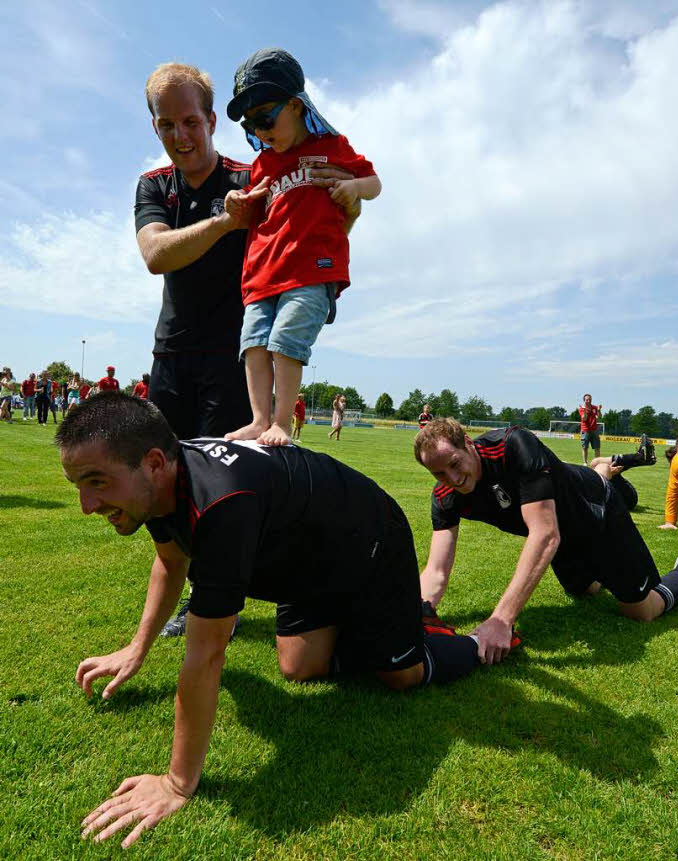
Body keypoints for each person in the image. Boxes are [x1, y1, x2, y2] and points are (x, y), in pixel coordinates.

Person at [59, 393, 484, 847]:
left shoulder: (220, 501)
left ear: (154, 463)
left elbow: (206, 655)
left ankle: (467, 642)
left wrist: (176, 783)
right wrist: (135, 648)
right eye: (80, 485)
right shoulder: (163, 483)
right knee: (298, 667)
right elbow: (169, 559)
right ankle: (372, 625)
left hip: (368, 541)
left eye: (97, 482)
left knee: (402, 673)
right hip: (307, 558)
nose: (87, 504)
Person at [137, 61, 358, 637]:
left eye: (191, 121)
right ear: (155, 128)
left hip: (237, 357)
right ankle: (180, 578)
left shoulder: (255, 172)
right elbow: (156, 255)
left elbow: (313, 225)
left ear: (212, 121)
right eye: (167, 125)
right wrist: (222, 222)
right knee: (160, 482)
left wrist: (349, 205)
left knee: (216, 486)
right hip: (171, 356)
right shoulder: (154, 186)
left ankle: (211, 600)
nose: (181, 136)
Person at [415, 419, 678, 664]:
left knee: (640, 610)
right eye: (439, 473)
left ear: (468, 443)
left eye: (454, 463)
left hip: (598, 514)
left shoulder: (512, 446)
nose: (452, 478)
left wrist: (501, 620)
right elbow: (436, 571)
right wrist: (418, 612)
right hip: (560, 535)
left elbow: (545, 535)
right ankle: (604, 562)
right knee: (583, 591)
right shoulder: (445, 497)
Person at [223, 48, 381, 447]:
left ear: (296, 105)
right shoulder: (262, 165)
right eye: (250, 125)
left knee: (286, 340)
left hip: (311, 269)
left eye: (265, 119)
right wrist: (233, 204)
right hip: (261, 275)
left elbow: (374, 182)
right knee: (254, 344)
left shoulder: (332, 145)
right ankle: (259, 420)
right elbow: (249, 210)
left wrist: (352, 188)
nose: (260, 132)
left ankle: (280, 421)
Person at [578, 393, 602, 463]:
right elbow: (584, 419)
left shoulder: (594, 407)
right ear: (584, 400)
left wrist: (599, 410)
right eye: (587, 400)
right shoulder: (581, 409)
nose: (588, 401)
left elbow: (599, 416)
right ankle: (585, 463)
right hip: (585, 430)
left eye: (590, 399)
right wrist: (585, 411)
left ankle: (597, 463)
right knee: (585, 448)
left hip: (594, 430)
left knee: (597, 448)